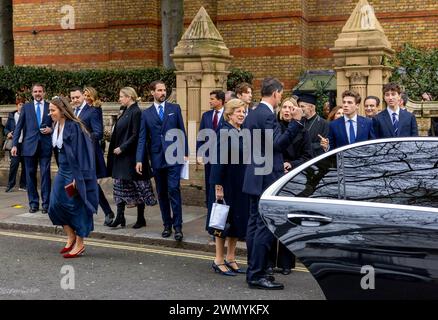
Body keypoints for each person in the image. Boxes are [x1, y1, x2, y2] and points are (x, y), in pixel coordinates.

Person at [243, 77, 303, 290]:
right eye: (281, 94)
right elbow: (277, 145)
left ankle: (254, 270)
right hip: (266, 178)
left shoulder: (252, 114)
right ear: (276, 93)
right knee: (264, 228)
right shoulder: (267, 115)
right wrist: (295, 123)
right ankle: (258, 275)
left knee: (253, 226)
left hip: (254, 176)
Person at [136, 80, 188, 241]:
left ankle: (178, 227)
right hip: (157, 157)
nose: (162, 93)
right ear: (152, 92)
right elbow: (142, 137)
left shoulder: (174, 109)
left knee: (173, 189)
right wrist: (139, 159)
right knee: (162, 193)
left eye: (164, 90)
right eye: (159, 90)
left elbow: (181, 131)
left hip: (174, 156)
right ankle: (167, 225)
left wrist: (185, 152)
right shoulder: (146, 113)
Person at [47, 96, 98, 258]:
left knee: (76, 206)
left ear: (62, 111)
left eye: (52, 110)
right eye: (49, 110)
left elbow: (83, 152)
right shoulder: (56, 125)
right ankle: (71, 236)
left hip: (75, 172)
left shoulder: (74, 127)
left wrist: (80, 177)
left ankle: (80, 243)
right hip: (62, 171)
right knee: (54, 205)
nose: (50, 113)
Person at [267, 97, 311, 275]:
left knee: (287, 222)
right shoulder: (274, 127)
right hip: (273, 177)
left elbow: (308, 157)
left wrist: (290, 165)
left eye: (291, 107)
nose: (287, 110)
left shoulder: (303, 131)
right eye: (284, 107)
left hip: (292, 178)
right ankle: (269, 262)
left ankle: (286, 264)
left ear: (296, 111)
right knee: (271, 221)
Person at [209, 98, 249, 276]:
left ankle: (231, 258)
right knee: (222, 222)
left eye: (243, 111)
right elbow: (217, 160)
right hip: (225, 184)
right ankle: (218, 259)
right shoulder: (224, 132)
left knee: (236, 221)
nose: (241, 114)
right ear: (230, 114)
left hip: (240, 183)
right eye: (238, 111)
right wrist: (218, 186)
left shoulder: (242, 131)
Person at [107, 87, 157, 229]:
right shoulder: (125, 111)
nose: (119, 99)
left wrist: (122, 147)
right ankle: (120, 216)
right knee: (119, 186)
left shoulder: (136, 112)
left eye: (121, 96)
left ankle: (141, 219)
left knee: (137, 188)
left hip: (130, 156)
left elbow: (137, 135)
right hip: (121, 157)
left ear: (129, 97)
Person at [71, 86, 115, 226]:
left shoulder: (93, 111)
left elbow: (98, 133)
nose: (75, 100)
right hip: (74, 154)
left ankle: (108, 212)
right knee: (77, 183)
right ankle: (80, 212)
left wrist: (82, 139)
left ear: (83, 97)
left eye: (77, 97)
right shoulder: (72, 112)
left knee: (91, 184)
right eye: (72, 98)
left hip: (88, 154)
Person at [11, 84, 53, 214]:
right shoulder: (26, 107)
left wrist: (51, 129)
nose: (38, 93)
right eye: (35, 91)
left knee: (45, 175)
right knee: (30, 176)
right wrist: (14, 145)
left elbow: (57, 122)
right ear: (32, 93)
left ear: (44, 93)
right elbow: (19, 127)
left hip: (45, 145)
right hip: (29, 146)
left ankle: (46, 204)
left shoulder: (49, 106)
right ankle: (33, 203)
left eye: (40, 91)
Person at [196, 90, 225, 231]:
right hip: (209, 159)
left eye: (212, 99)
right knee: (209, 189)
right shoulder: (206, 115)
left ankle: (220, 223)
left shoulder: (227, 115)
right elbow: (201, 136)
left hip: (224, 160)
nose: (210, 101)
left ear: (220, 100)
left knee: (221, 190)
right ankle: (211, 221)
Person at [4, 96, 27, 193]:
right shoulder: (12, 116)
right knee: (14, 164)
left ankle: (23, 185)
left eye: (23, 105)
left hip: (25, 144)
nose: (21, 106)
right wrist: (7, 133)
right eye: (20, 105)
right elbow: (6, 128)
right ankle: (10, 185)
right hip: (15, 144)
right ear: (17, 105)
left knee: (25, 166)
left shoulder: (27, 116)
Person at [297, 93, 329, 158]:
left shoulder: (324, 124)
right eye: (299, 106)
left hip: (316, 161)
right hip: (300, 160)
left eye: (302, 106)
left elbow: (324, 145)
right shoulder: (299, 122)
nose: (299, 109)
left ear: (311, 107)